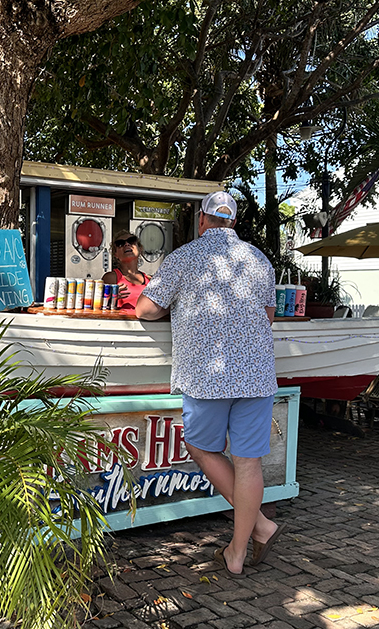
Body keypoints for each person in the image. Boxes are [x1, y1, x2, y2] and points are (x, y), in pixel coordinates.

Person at [136, 191, 284, 576]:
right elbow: (268, 316)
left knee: (201, 447)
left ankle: (250, 539)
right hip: (256, 374)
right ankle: (247, 541)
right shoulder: (259, 259)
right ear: (232, 221)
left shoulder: (184, 257)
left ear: (202, 220)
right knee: (249, 462)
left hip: (208, 377)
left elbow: (147, 309)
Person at [102, 230, 151, 311]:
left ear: (140, 248)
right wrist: (110, 298)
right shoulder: (111, 278)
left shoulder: (149, 280)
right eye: (120, 243)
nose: (127, 244)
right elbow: (100, 307)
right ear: (115, 254)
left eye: (131, 241)